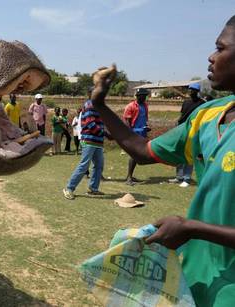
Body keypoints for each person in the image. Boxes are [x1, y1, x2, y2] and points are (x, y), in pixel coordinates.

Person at [89, 15, 235, 306]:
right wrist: (99, 106)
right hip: (193, 280)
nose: (210, 56)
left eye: (220, 48)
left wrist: (192, 228)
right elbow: (143, 151)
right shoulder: (208, 117)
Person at [63, 89, 106, 199]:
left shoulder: (98, 105)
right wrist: (104, 133)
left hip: (97, 141)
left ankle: (93, 189)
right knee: (84, 165)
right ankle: (69, 188)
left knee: (99, 166)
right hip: (89, 140)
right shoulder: (89, 104)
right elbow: (90, 123)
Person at [168, 83, 206, 187]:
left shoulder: (202, 103)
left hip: (192, 131)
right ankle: (179, 177)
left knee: (189, 155)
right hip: (181, 130)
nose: (190, 92)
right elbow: (182, 116)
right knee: (180, 153)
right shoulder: (186, 102)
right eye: (189, 90)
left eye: (193, 90)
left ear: (197, 92)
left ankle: (187, 178)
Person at [123, 88, 150, 185]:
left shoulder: (145, 106)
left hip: (142, 133)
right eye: (144, 96)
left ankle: (130, 176)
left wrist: (146, 128)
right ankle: (129, 178)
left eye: (146, 96)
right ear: (138, 96)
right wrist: (130, 135)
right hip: (134, 133)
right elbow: (126, 121)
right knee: (134, 155)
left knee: (137, 155)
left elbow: (144, 119)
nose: (145, 97)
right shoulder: (131, 106)